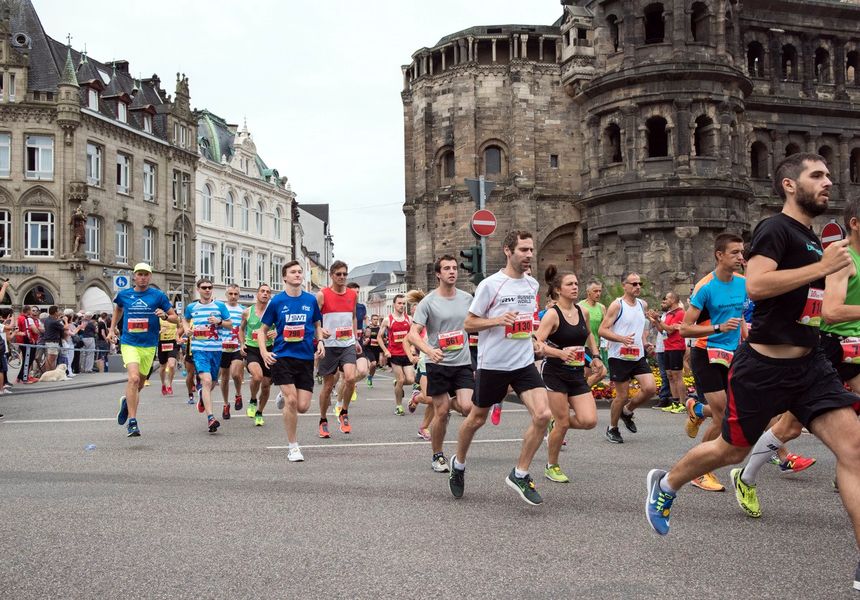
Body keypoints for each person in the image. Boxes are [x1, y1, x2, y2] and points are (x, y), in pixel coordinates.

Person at [645, 153, 860, 592]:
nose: (828, 182)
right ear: (788, 184)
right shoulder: (774, 229)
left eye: (827, 175)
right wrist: (824, 268)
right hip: (763, 367)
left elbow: (820, 306)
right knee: (730, 451)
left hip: (810, 364)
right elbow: (758, 286)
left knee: (853, 450)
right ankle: (665, 483)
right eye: (816, 175)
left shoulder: (815, 239)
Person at [448, 230, 551, 505]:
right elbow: (469, 324)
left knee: (543, 415)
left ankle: (520, 473)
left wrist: (533, 338)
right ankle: (458, 464)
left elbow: (527, 321)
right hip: (493, 364)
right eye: (523, 250)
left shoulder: (532, 285)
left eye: (531, 250)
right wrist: (496, 321)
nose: (529, 255)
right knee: (476, 419)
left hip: (522, 363)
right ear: (508, 251)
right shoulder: (491, 285)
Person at [679, 233, 748, 492]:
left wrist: (744, 334)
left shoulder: (743, 283)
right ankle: (700, 471)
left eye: (742, 252)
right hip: (705, 353)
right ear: (719, 255)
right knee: (722, 416)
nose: (741, 258)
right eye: (735, 253)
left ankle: (697, 410)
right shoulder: (705, 287)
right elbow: (685, 329)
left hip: (733, 354)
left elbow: (738, 314)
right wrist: (718, 327)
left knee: (734, 411)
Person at [406, 255, 474, 472]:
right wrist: (429, 350)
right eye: (446, 268)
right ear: (438, 274)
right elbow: (412, 334)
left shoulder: (467, 299)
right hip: (438, 363)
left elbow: (476, 322)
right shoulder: (428, 302)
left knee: (467, 407)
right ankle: (437, 455)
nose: (452, 271)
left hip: (462, 362)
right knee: (442, 412)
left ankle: (447, 403)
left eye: (454, 268)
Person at [534, 265, 601, 483]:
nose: (575, 287)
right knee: (563, 423)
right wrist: (559, 353)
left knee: (589, 420)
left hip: (576, 373)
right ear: (558, 290)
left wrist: (596, 356)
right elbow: (537, 343)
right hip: (554, 373)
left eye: (576, 284)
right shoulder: (553, 315)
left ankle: (555, 424)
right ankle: (552, 465)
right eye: (570, 284)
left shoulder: (583, 311)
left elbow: (590, 335)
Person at [259, 261, 325, 462]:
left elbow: (317, 323)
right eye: (293, 272)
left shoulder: (311, 300)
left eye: (300, 272)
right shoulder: (277, 302)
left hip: (305, 357)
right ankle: (293, 446)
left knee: (303, 406)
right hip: (283, 356)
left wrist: (320, 341)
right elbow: (261, 331)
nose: (297, 275)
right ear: (285, 277)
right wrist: (264, 352)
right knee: (292, 401)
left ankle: (283, 394)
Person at [109, 263, 178, 437]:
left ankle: (126, 401)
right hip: (129, 343)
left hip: (148, 345)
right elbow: (118, 308)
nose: (143, 277)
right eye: (139, 274)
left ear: (150, 277)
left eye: (146, 274)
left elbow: (176, 319)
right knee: (132, 379)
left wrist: (165, 316)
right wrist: (112, 329)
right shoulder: (124, 295)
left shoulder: (158, 296)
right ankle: (132, 422)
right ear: (134, 276)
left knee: (139, 385)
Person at [598, 273, 657, 443]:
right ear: (624, 285)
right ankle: (612, 428)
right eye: (634, 284)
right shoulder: (617, 305)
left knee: (650, 389)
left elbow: (638, 328)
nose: (638, 286)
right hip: (619, 356)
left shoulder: (642, 304)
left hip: (637, 355)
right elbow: (603, 330)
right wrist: (621, 338)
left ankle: (627, 411)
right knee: (622, 395)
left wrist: (645, 343)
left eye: (640, 283)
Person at [316, 261, 360, 437]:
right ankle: (323, 419)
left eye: (344, 274)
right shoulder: (322, 295)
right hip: (329, 345)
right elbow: (314, 319)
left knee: (350, 378)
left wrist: (355, 338)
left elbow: (354, 317)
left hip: (347, 344)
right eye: (338, 274)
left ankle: (344, 412)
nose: (342, 277)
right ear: (332, 275)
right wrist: (319, 332)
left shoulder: (352, 294)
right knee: (328, 386)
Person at [183, 278, 232, 434]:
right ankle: (211, 418)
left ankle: (201, 396)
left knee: (212, 383)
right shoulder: (192, 307)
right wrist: (186, 329)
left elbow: (230, 324)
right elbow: (185, 319)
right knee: (206, 380)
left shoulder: (220, 306)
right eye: (204, 287)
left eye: (209, 287)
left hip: (216, 349)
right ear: (198, 289)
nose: (207, 290)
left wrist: (218, 321)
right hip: (199, 350)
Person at [240, 283, 275, 426]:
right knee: (257, 376)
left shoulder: (273, 312)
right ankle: (253, 399)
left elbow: (282, 327)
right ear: (257, 294)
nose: (265, 294)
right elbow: (241, 329)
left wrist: (277, 332)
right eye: (262, 291)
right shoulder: (247, 312)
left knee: (266, 385)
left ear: (270, 296)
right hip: (252, 349)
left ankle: (260, 412)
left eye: (268, 292)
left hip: (268, 350)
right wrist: (242, 343)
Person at [648, 292, 686, 413]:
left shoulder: (680, 313)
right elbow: (662, 330)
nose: (665, 300)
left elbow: (669, 330)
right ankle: (675, 402)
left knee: (677, 376)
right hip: (668, 347)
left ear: (674, 299)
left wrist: (659, 319)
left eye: (667, 298)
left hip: (677, 347)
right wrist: (656, 321)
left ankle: (683, 403)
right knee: (670, 375)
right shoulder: (669, 314)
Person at [377, 294, 414, 415]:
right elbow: (379, 337)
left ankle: (397, 384)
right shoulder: (388, 320)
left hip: (407, 353)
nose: (402, 306)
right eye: (399, 303)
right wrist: (386, 350)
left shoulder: (409, 319)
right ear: (394, 305)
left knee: (411, 379)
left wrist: (413, 347)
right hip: (395, 355)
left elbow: (413, 336)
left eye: (404, 303)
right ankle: (399, 406)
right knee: (401, 379)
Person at [217, 284, 246, 421]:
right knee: (224, 378)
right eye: (231, 294)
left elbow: (246, 329)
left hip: (237, 347)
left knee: (235, 374)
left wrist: (244, 343)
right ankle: (225, 404)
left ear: (239, 295)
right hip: (223, 347)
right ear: (226, 295)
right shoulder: (220, 309)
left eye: (236, 294)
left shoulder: (243, 311)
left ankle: (238, 394)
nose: (233, 296)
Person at [578, 279, 609, 380]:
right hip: (583, 346)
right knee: (602, 372)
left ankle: (581, 394)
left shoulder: (602, 308)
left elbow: (606, 327)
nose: (598, 294)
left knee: (588, 376)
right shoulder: (580, 306)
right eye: (595, 291)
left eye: (600, 291)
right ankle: (582, 393)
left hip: (596, 347)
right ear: (588, 292)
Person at [157, 314, 181, 396]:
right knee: (162, 366)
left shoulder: (175, 318)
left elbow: (180, 327)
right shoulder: (158, 318)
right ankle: (163, 384)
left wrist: (178, 337)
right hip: (162, 343)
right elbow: (152, 332)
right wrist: (160, 332)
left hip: (172, 343)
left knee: (171, 365)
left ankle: (169, 384)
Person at [42, 306, 65, 372]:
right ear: (55, 312)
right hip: (53, 342)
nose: (59, 313)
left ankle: (50, 372)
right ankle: (49, 373)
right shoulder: (54, 321)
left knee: (50, 359)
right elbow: (65, 327)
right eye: (58, 311)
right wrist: (65, 321)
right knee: (51, 359)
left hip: (49, 341)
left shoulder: (47, 320)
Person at [363, 314, 381, 386]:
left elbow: (383, 338)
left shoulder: (380, 329)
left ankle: (370, 377)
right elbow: (364, 337)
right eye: (374, 319)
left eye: (377, 319)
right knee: (373, 363)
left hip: (376, 349)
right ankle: (367, 371)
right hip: (368, 349)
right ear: (371, 320)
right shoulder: (368, 328)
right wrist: (366, 340)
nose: (376, 321)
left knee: (374, 366)